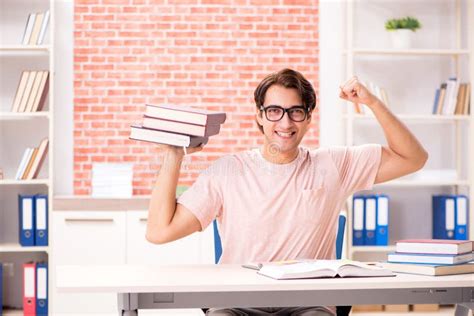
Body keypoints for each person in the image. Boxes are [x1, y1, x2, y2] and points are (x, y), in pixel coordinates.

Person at [145, 68, 428, 316]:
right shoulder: (227, 171)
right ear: (259, 116)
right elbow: (159, 231)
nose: (285, 122)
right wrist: (174, 156)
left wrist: (371, 102)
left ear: (307, 118)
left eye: (296, 111)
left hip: (308, 302)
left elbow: (413, 158)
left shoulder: (334, 164)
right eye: (274, 111)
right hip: (237, 301)